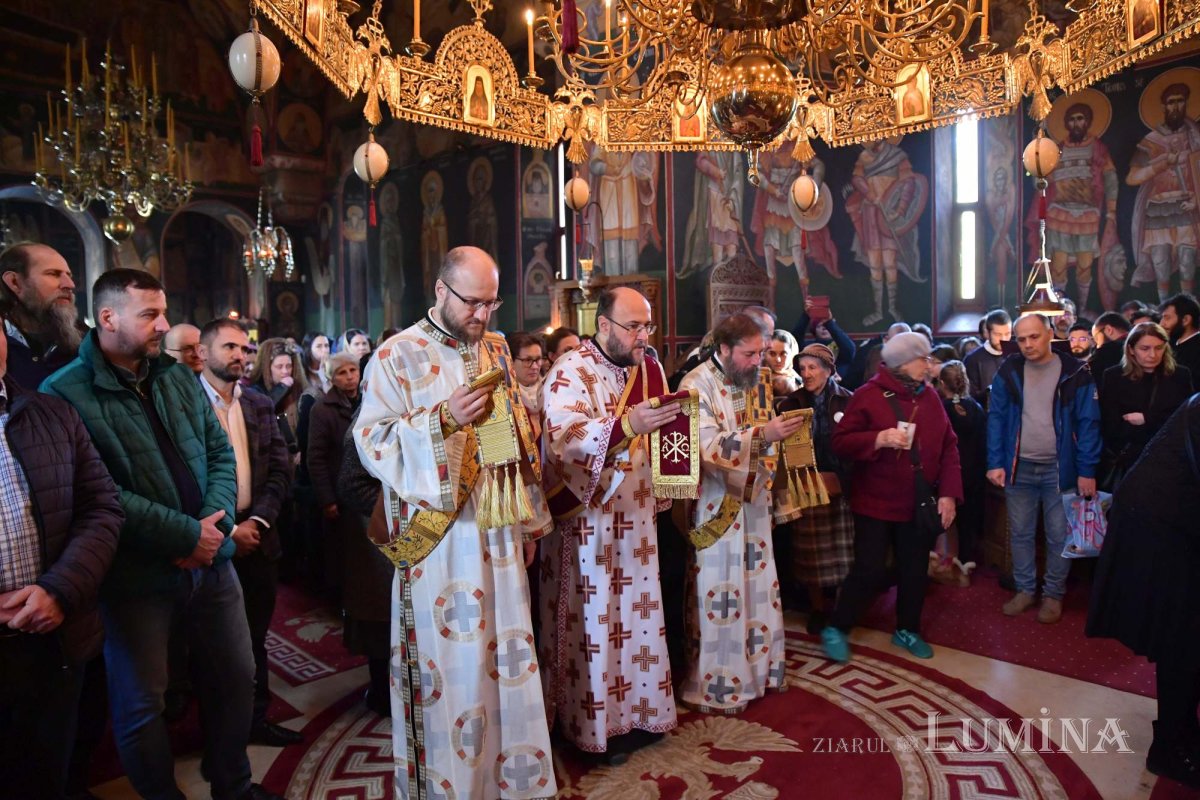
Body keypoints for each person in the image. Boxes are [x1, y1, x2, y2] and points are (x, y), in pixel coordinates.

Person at [40, 269, 280, 800]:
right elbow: (95, 491)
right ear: (108, 318)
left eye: (163, 311)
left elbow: (218, 453)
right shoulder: (63, 393)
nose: (164, 324)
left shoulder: (173, 376)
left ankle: (233, 785)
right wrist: (181, 538)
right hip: (136, 575)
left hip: (212, 562)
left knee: (237, 676)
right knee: (142, 703)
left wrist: (212, 529)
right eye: (150, 314)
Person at [354, 246, 557, 796]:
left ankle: (507, 782)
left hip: (495, 532)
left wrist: (525, 520)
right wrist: (442, 422)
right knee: (455, 670)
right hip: (440, 548)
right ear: (442, 291)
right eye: (473, 303)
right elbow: (372, 443)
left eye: (492, 303)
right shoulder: (396, 356)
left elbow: (508, 436)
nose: (484, 316)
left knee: (504, 662)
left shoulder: (492, 347)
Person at [541, 285, 680, 762]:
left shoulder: (650, 369)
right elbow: (564, 437)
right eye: (634, 326)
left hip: (636, 521)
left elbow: (665, 433)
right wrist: (627, 428)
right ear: (603, 325)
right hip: (589, 524)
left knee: (637, 621)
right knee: (596, 627)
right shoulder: (571, 371)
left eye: (648, 326)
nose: (644, 336)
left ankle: (639, 714)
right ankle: (592, 729)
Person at [0, 312, 123, 799]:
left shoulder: (50, 413)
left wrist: (59, 590)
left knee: (49, 770)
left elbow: (101, 508)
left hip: (53, 635)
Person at [677, 314, 802, 714]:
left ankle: (761, 670)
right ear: (724, 349)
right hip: (716, 505)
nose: (758, 361)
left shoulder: (755, 379)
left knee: (757, 586)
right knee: (721, 591)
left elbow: (762, 429)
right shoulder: (695, 385)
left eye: (761, 352)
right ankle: (720, 684)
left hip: (755, 503)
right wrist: (765, 436)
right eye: (749, 353)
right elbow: (705, 446)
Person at [821, 332, 961, 662]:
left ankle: (907, 630)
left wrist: (950, 495)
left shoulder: (930, 398)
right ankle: (837, 627)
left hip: (917, 500)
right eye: (923, 360)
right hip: (875, 501)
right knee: (868, 569)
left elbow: (949, 447)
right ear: (903, 363)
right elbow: (840, 443)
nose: (929, 367)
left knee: (914, 570)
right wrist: (879, 438)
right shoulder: (868, 395)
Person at [1087, 395, 1200, 790]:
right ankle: (1171, 745)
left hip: (1166, 525)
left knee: (1185, 641)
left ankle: (1180, 733)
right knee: (1183, 641)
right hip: (1161, 533)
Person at [196, 319, 299, 748]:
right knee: (208, 644)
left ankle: (255, 720)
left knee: (256, 636)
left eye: (244, 348)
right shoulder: (185, 403)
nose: (240, 355)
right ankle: (214, 734)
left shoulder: (257, 403)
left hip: (257, 534)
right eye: (229, 347)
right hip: (207, 538)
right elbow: (185, 477)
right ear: (203, 353)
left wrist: (256, 522)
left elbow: (278, 470)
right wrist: (228, 531)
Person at [987, 314, 1101, 625]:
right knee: (1020, 533)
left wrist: (1086, 469)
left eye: (1034, 337)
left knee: (1059, 535)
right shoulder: (1009, 371)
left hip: (1058, 468)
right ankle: (1025, 589)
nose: (1027, 344)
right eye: (1021, 339)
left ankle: (1053, 594)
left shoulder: (1075, 372)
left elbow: (1089, 425)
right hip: (1018, 467)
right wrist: (995, 462)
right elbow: (996, 418)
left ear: (1050, 334)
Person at [775, 343, 855, 633]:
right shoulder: (791, 403)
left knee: (845, 554)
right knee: (811, 554)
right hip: (807, 484)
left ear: (828, 370)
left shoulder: (848, 400)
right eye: (803, 368)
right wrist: (807, 479)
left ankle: (843, 610)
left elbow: (855, 448)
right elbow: (785, 450)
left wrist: (842, 480)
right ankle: (818, 609)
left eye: (812, 367)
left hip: (842, 485)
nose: (806, 374)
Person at [1127, 81, 1200, 301]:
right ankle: (1164, 310)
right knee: (1161, 263)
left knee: (1188, 263)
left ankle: (1191, 310)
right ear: (1163, 106)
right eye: (1171, 102)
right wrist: (1161, 163)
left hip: (1187, 205)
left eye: (1180, 101)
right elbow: (1133, 177)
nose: (1176, 107)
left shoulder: (1195, 138)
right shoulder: (1151, 141)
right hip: (1158, 208)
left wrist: (1197, 198)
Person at [1098, 322, 1193, 491]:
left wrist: (1146, 419)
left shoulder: (1180, 376)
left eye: (1159, 348)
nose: (1152, 354)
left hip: (1170, 461)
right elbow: (1110, 425)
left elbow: (1186, 420)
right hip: (1130, 460)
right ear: (1131, 349)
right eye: (1145, 348)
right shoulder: (1114, 377)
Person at [931, 360, 986, 585]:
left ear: (942, 383)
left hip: (950, 475)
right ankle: (964, 564)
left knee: (941, 520)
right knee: (967, 524)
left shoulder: (941, 409)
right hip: (975, 474)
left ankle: (938, 563)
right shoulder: (977, 408)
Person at [0, 242, 84, 388]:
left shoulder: (88, 343)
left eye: (69, 275)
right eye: (53, 274)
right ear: (15, 282)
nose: (69, 284)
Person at [249, 338, 307, 461]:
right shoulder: (255, 391)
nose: (285, 371)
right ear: (267, 368)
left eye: (289, 366)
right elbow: (264, 407)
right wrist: (281, 388)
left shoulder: (298, 388)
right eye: (279, 367)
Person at [506, 330, 545, 425]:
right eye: (528, 360)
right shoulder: (505, 397)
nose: (535, 366)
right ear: (510, 362)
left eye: (538, 359)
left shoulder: (550, 389)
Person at [1159, 292, 1200, 377]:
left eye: (1167, 318)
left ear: (1185, 320)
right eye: (1162, 318)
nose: (1161, 324)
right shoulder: (1170, 344)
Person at [1090, 311, 1132, 391]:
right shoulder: (1139, 346)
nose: (1097, 345)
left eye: (1096, 338)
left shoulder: (1103, 354)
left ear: (1109, 330)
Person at [765, 328, 799, 395]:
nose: (778, 360)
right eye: (772, 354)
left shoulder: (799, 378)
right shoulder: (755, 381)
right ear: (764, 354)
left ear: (792, 354)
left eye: (783, 354)